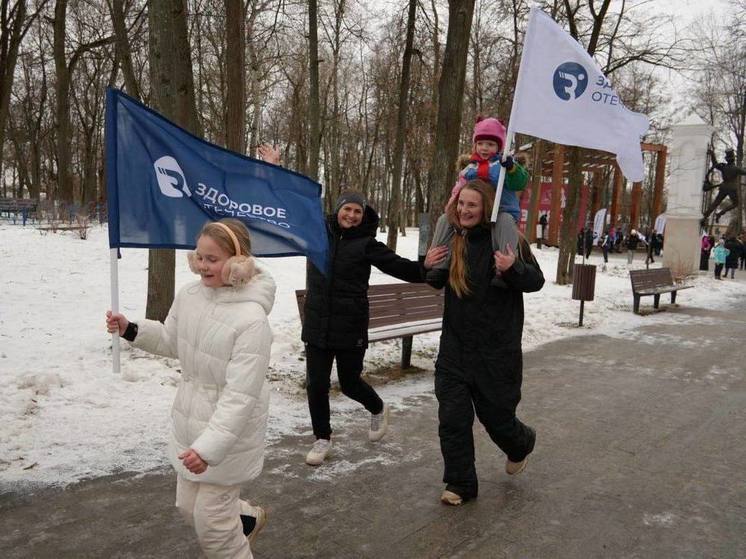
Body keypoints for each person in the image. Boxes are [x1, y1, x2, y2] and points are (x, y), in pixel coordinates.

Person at [106, 218, 275, 558]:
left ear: (238, 261)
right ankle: (244, 519)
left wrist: (209, 449)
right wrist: (131, 329)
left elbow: (240, 397)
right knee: (188, 507)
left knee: (213, 526)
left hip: (227, 435)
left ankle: (232, 534)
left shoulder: (252, 320)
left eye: (212, 259)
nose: (202, 266)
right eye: (199, 257)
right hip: (189, 420)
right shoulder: (190, 295)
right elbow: (172, 340)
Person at [425, 179, 544, 506]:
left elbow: (536, 281)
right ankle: (460, 483)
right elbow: (435, 281)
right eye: (461, 204)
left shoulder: (506, 239)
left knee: (497, 419)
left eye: (472, 205)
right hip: (455, 351)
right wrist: (429, 264)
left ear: (486, 207)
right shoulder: (452, 240)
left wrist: (513, 268)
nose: (464, 210)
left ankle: (520, 444)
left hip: (495, 352)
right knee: (452, 418)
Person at [301, 190, 440, 467]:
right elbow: (290, 206)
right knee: (316, 384)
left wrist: (424, 266)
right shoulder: (316, 232)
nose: (351, 216)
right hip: (318, 322)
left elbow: (399, 267)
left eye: (357, 212)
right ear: (338, 209)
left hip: (350, 324)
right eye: (347, 209)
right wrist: (274, 169)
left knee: (350, 382)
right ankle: (322, 438)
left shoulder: (366, 244)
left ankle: (377, 407)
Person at [428, 116, 529, 287]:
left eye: (490, 144)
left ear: (499, 147)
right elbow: (459, 189)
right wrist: (453, 206)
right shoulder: (470, 169)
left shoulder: (503, 166)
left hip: (501, 210)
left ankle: (503, 269)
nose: (484, 148)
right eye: (481, 143)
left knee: (504, 223)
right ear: (475, 144)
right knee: (445, 219)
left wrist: (511, 168)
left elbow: (519, 182)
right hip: (477, 216)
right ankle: (440, 265)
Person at [702, 148, 745, 225]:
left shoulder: (723, 167)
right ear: (733, 159)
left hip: (723, 187)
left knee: (716, 203)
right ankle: (720, 213)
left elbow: (715, 164)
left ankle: (705, 216)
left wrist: (712, 154)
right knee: (736, 203)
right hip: (732, 189)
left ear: (727, 159)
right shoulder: (736, 168)